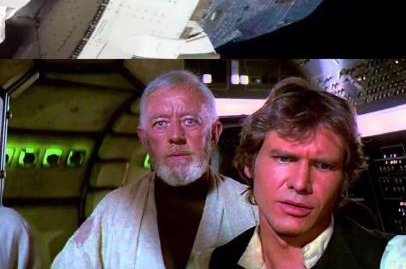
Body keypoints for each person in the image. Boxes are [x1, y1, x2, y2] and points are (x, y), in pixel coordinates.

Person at [198, 77, 406, 269]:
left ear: (345, 178)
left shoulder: (394, 260)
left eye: (323, 165)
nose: (301, 183)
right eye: (284, 158)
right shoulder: (208, 264)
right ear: (249, 164)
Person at [52, 70, 258, 269]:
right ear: (145, 140)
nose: (176, 135)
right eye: (160, 124)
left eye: (190, 121)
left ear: (214, 134)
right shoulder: (114, 211)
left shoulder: (252, 209)